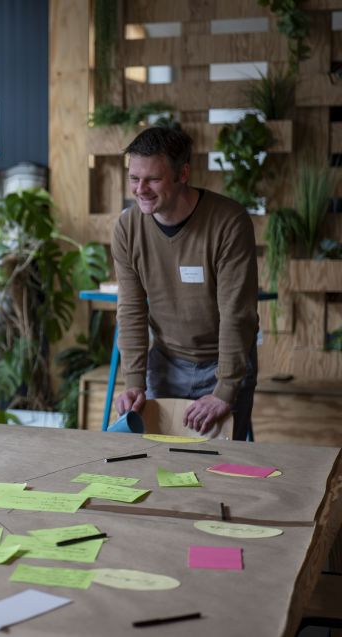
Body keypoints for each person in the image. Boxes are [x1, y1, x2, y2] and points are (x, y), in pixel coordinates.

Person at [111, 126, 258, 440]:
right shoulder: (127, 228)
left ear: (183, 174)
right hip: (165, 362)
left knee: (216, 469)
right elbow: (131, 311)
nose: (140, 189)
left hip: (223, 362)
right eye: (134, 178)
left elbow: (237, 314)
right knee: (154, 460)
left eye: (153, 179)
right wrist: (134, 382)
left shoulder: (228, 222)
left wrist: (225, 389)